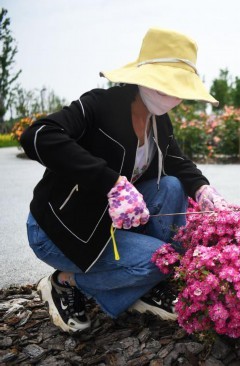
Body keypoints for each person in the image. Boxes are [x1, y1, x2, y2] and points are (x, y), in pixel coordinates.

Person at [20, 28, 228, 333]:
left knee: (171, 185)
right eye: (165, 84)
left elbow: (176, 161)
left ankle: (141, 279)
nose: (173, 96)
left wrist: (203, 188)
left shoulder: (159, 120)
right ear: (143, 76)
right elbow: (38, 135)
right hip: (61, 230)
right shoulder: (99, 105)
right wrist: (110, 182)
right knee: (162, 260)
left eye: (179, 88)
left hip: (111, 226)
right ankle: (64, 282)